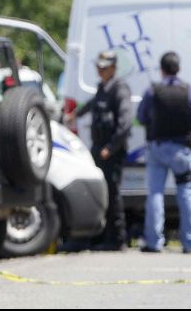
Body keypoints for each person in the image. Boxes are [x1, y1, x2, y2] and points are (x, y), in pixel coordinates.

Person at [137, 52, 191, 253]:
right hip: (181, 150)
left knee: (155, 194)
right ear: (179, 68)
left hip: (157, 148)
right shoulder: (189, 91)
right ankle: (190, 242)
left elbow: (141, 117)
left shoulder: (153, 91)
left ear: (162, 69)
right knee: (186, 193)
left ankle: (154, 242)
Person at [68, 51, 133, 251]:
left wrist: (111, 148)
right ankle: (103, 238)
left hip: (111, 152)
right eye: (98, 67)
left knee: (112, 195)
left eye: (104, 68)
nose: (100, 70)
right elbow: (91, 105)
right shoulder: (102, 88)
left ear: (113, 68)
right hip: (99, 149)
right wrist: (74, 115)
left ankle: (118, 239)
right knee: (102, 194)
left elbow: (125, 123)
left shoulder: (119, 89)